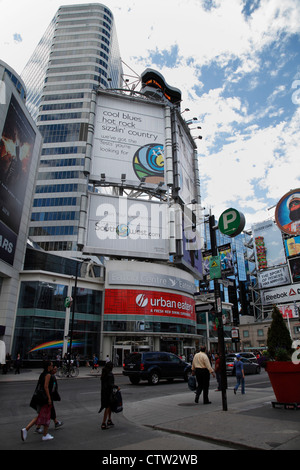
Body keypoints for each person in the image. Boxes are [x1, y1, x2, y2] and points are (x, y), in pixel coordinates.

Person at [21, 361, 55, 442]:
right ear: (48, 367)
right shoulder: (48, 375)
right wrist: (49, 398)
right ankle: (42, 434)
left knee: (43, 415)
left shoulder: (42, 374)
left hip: (40, 398)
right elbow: (46, 387)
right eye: (51, 365)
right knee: (46, 416)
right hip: (45, 398)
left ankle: (38, 432)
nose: (52, 367)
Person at [35, 365, 63, 434]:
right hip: (46, 397)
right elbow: (48, 387)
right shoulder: (49, 376)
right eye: (55, 369)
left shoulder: (49, 376)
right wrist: (49, 398)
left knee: (48, 411)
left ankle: (55, 422)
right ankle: (37, 428)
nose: (56, 370)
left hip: (47, 397)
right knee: (44, 413)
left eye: (56, 369)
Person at [99, 361, 119, 430]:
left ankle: (109, 420)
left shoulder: (104, 373)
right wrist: (116, 387)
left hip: (104, 392)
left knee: (109, 406)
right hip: (108, 393)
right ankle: (103, 423)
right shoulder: (110, 374)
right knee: (107, 407)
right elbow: (110, 384)